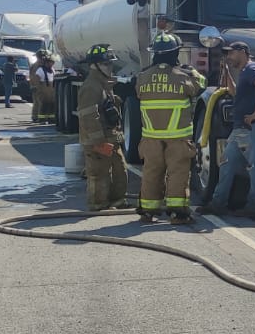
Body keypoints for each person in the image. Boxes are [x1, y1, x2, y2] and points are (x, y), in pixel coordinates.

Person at [135, 33, 204, 224]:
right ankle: (177, 214)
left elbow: (138, 93)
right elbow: (201, 85)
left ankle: (148, 212)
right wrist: (190, 70)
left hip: (151, 137)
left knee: (151, 172)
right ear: (176, 52)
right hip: (178, 137)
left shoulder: (142, 77)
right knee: (178, 173)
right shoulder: (183, 77)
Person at [203, 40, 255, 217]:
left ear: (242, 52)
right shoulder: (244, 72)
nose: (229, 57)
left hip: (250, 128)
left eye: (231, 53)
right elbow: (234, 93)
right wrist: (226, 73)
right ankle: (218, 204)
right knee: (225, 164)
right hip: (239, 129)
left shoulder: (252, 69)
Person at [75, 45, 128, 212]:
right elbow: (89, 116)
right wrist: (98, 142)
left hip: (111, 138)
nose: (110, 67)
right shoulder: (91, 87)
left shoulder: (103, 85)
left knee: (120, 171)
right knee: (99, 175)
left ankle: (117, 201)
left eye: (110, 64)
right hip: (98, 141)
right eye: (106, 64)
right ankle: (98, 205)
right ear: (94, 65)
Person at [31, 50, 57, 123]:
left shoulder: (52, 69)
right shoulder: (39, 68)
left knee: (51, 105)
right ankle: (40, 118)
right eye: (51, 62)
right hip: (41, 90)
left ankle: (51, 118)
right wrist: (37, 88)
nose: (52, 64)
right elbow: (35, 79)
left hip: (50, 91)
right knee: (41, 104)